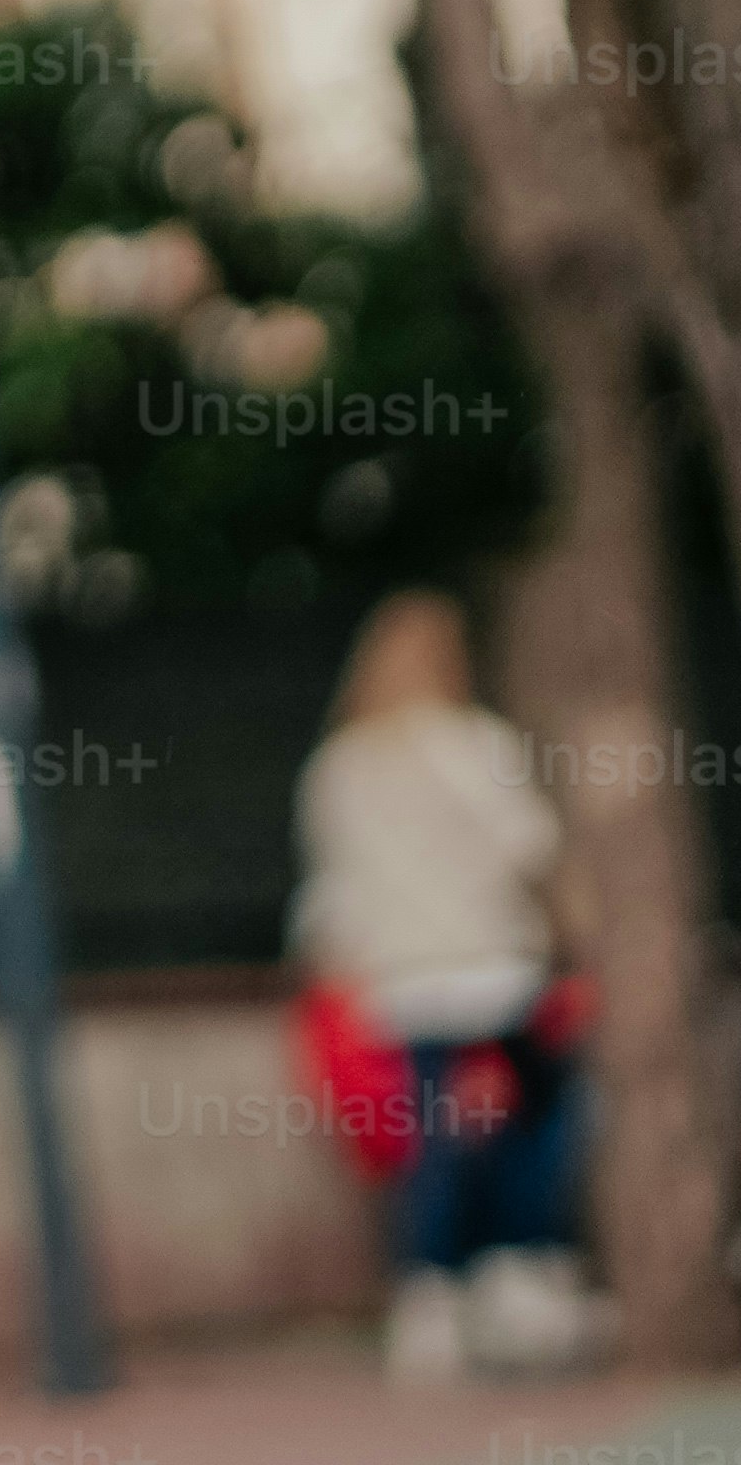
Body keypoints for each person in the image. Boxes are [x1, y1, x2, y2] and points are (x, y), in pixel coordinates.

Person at [292, 589, 593, 1378]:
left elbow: (332, 894)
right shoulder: (475, 745)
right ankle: (524, 1274)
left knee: (431, 1142)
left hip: (400, 987)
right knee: (529, 1124)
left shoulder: (340, 767)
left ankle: (430, 1299)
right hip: (494, 971)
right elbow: (528, 844)